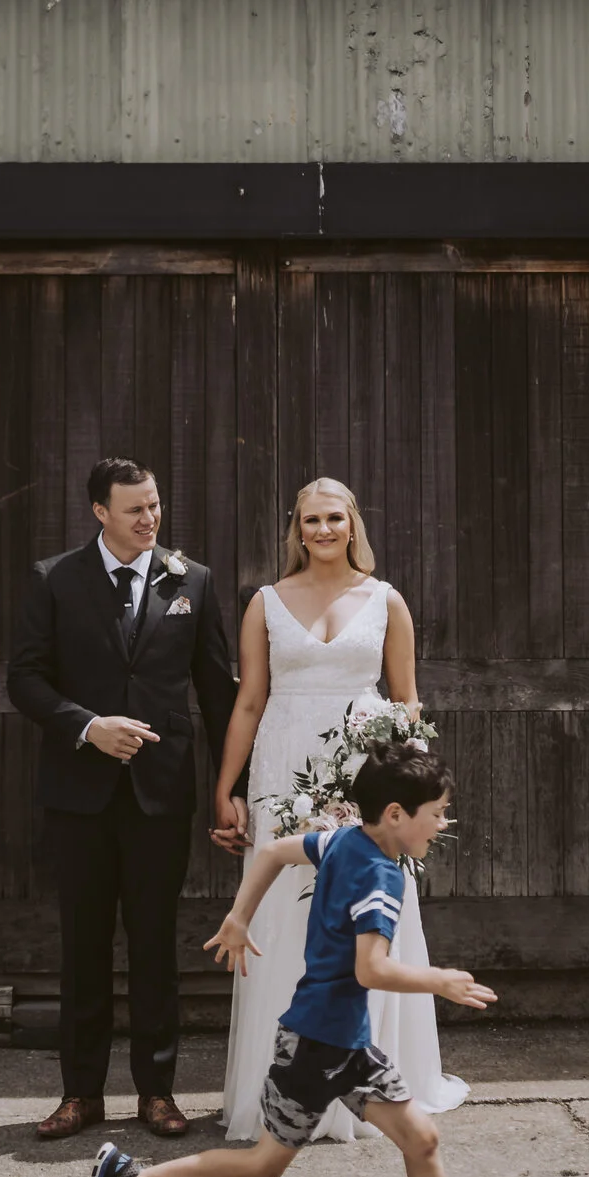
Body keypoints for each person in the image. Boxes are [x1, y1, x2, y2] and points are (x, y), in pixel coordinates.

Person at [71, 745, 536, 1177]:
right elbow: (371, 968)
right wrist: (439, 980)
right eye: (436, 813)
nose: (443, 824)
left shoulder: (344, 840)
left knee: (422, 1138)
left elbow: (271, 851)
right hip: (318, 1046)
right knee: (264, 1165)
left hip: (343, 1043)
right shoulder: (381, 879)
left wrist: (239, 917)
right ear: (395, 814)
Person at [209, 478, 468, 1141]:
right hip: (283, 764)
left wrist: (405, 792)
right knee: (287, 905)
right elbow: (249, 700)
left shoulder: (386, 600)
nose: (322, 530)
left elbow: (407, 702)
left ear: (353, 524)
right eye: (310, 520)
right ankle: (286, 1086)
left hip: (364, 768)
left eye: (333, 518)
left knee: (362, 906)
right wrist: (226, 786)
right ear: (295, 529)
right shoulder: (266, 603)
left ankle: (374, 1082)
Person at [6, 457, 239, 1142]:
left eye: (155, 505)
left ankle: (157, 1093)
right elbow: (25, 678)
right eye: (134, 508)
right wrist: (88, 726)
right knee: (83, 946)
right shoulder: (55, 579)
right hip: (79, 795)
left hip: (160, 794)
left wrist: (235, 788)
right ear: (100, 512)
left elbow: (217, 692)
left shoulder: (192, 581)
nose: (149, 518)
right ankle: (80, 1094)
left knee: (155, 946)